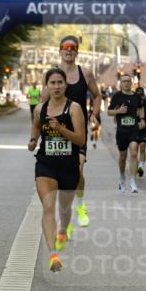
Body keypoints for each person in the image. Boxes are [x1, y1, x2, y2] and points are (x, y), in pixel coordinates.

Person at [39, 36, 101, 226]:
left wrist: (94, 114)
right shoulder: (51, 75)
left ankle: (80, 206)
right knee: (58, 175)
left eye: (73, 47)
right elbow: (42, 102)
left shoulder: (86, 73)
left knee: (78, 168)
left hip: (77, 130)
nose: (69, 50)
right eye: (65, 47)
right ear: (59, 50)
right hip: (55, 131)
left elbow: (97, 96)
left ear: (77, 51)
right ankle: (64, 213)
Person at [28, 68, 86, 272]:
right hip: (46, 164)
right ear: (47, 86)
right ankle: (53, 256)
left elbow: (81, 139)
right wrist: (33, 140)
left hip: (68, 165)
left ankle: (63, 228)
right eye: (52, 83)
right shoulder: (40, 109)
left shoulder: (74, 108)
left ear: (65, 85)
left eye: (60, 82)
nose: (56, 86)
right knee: (48, 207)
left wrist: (61, 129)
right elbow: (36, 125)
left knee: (64, 208)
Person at [108, 73, 145, 194]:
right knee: (123, 157)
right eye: (124, 81)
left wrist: (142, 119)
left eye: (128, 81)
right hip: (121, 131)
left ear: (131, 83)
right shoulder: (116, 97)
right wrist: (118, 111)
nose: (126, 83)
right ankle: (122, 178)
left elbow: (141, 108)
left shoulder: (136, 96)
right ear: (120, 83)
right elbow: (109, 112)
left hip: (133, 130)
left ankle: (133, 181)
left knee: (134, 152)